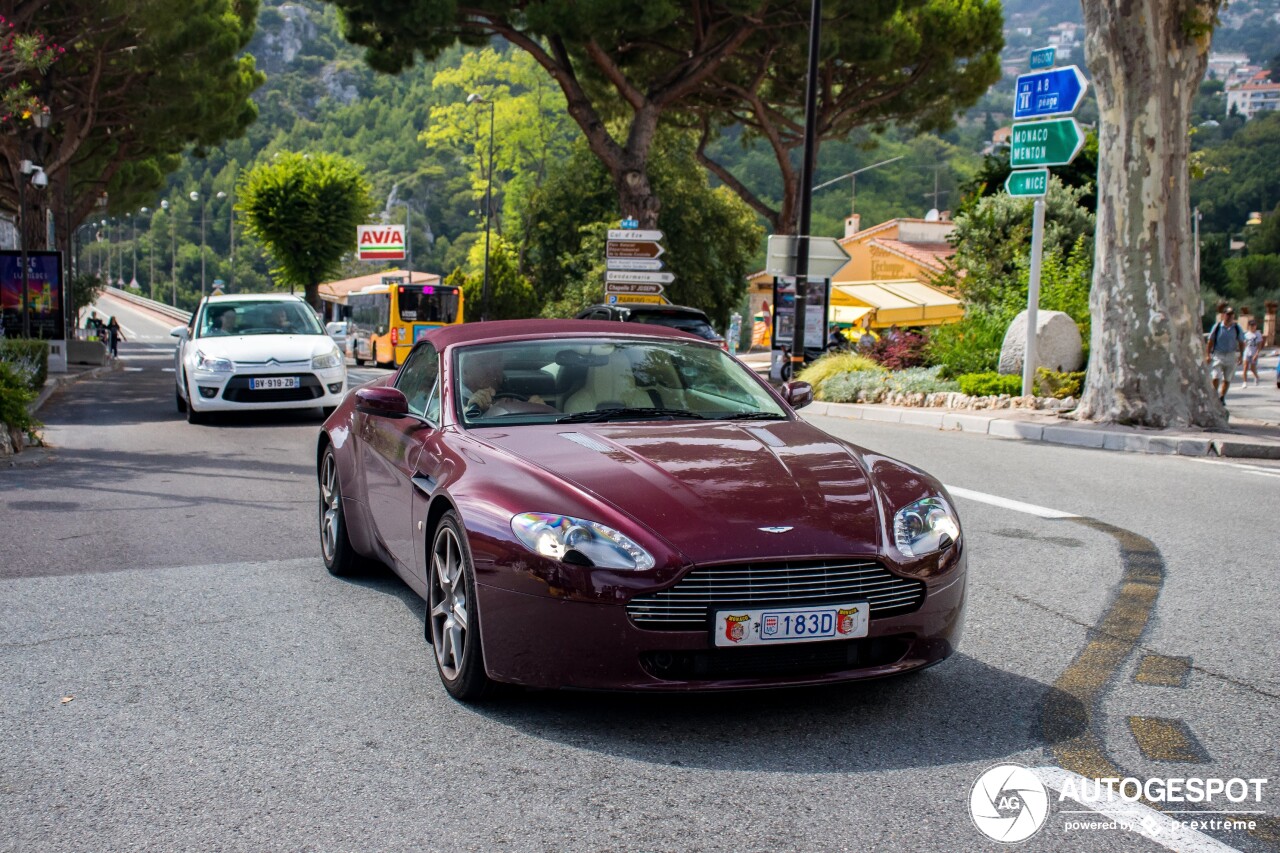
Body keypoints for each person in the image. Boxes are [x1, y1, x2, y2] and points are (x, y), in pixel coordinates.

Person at [1205, 307, 1244, 403]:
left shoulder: (1236, 328)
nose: (1229, 316)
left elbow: (1241, 342)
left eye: (1231, 314)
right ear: (1223, 315)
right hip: (1218, 354)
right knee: (1215, 376)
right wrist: (1208, 354)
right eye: (1228, 314)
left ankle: (1222, 397)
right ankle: (1214, 396)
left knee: (1227, 378)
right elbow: (1210, 341)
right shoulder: (1218, 326)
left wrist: (1241, 355)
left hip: (1231, 355)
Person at [1241, 319, 1262, 387]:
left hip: (1254, 352)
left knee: (1252, 368)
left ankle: (1257, 377)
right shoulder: (1246, 334)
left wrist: (1256, 354)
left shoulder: (1258, 334)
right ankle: (1245, 382)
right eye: (1251, 325)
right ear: (1249, 326)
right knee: (1245, 367)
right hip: (1247, 352)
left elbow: (1259, 345)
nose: (1253, 327)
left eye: (1254, 325)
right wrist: (1242, 353)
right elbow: (1244, 344)